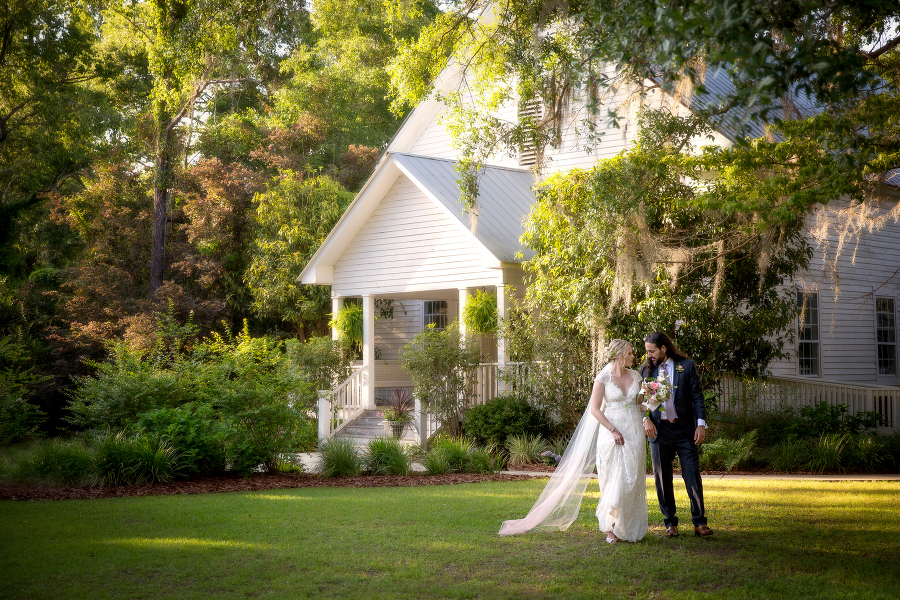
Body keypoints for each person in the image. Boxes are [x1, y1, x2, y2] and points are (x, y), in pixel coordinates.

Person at [498, 339, 647, 543]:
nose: (633, 356)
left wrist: (654, 400)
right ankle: (610, 528)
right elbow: (595, 409)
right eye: (630, 353)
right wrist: (613, 431)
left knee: (631, 480)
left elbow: (639, 404)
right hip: (610, 433)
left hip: (633, 433)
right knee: (612, 480)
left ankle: (627, 528)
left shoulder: (636, 376)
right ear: (620, 355)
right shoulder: (603, 378)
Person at [641, 332, 713, 538]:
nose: (649, 355)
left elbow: (698, 397)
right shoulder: (646, 370)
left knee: (692, 475)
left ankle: (699, 523)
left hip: (684, 430)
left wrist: (700, 425)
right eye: (647, 351)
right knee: (662, 479)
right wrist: (645, 419)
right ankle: (670, 523)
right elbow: (639, 402)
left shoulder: (686, 366)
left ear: (664, 348)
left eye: (652, 351)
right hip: (658, 431)